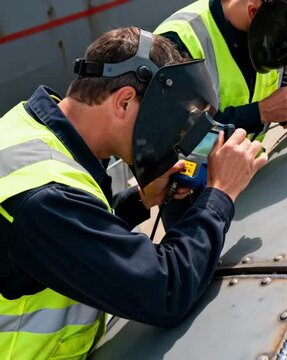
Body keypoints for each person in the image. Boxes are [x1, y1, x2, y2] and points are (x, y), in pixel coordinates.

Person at [0, 27, 267, 359]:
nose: (171, 136)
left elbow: (70, 237)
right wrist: (220, 192)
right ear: (124, 101)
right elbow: (165, 291)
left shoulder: (29, 129)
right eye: (167, 119)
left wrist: (139, 202)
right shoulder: (43, 196)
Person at [155, 0, 287, 227]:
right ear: (253, 10)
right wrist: (260, 112)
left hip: (244, 177)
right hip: (190, 192)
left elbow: (276, 77)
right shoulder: (180, 39)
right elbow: (172, 134)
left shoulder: (268, 30)